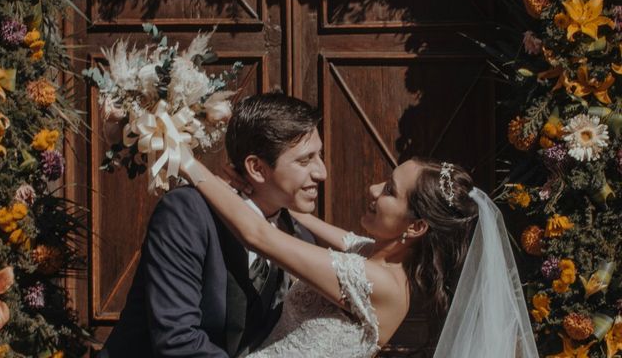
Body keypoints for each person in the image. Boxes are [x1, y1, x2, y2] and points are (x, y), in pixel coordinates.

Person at [187, 159, 540, 357]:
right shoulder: (369, 254)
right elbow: (297, 216)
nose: (372, 190)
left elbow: (260, 236)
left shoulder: (377, 282)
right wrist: (253, 188)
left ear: (416, 227)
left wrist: (186, 160)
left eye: (389, 191)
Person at [98, 93, 327, 357]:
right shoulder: (186, 214)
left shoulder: (301, 237)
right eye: (305, 160)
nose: (322, 172)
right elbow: (177, 341)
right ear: (257, 168)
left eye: (319, 156)